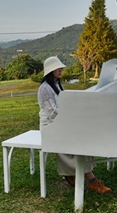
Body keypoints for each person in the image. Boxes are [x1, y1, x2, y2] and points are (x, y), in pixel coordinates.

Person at [38, 56, 112, 194]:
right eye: (57, 68)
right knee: (76, 140)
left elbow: (63, 106)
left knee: (83, 137)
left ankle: (72, 175)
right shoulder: (45, 89)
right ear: (50, 71)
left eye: (60, 68)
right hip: (50, 126)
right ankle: (92, 180)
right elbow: (52, 114)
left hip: (59, 122)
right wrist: (71, 120)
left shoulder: (57, 84)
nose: (60, 70)